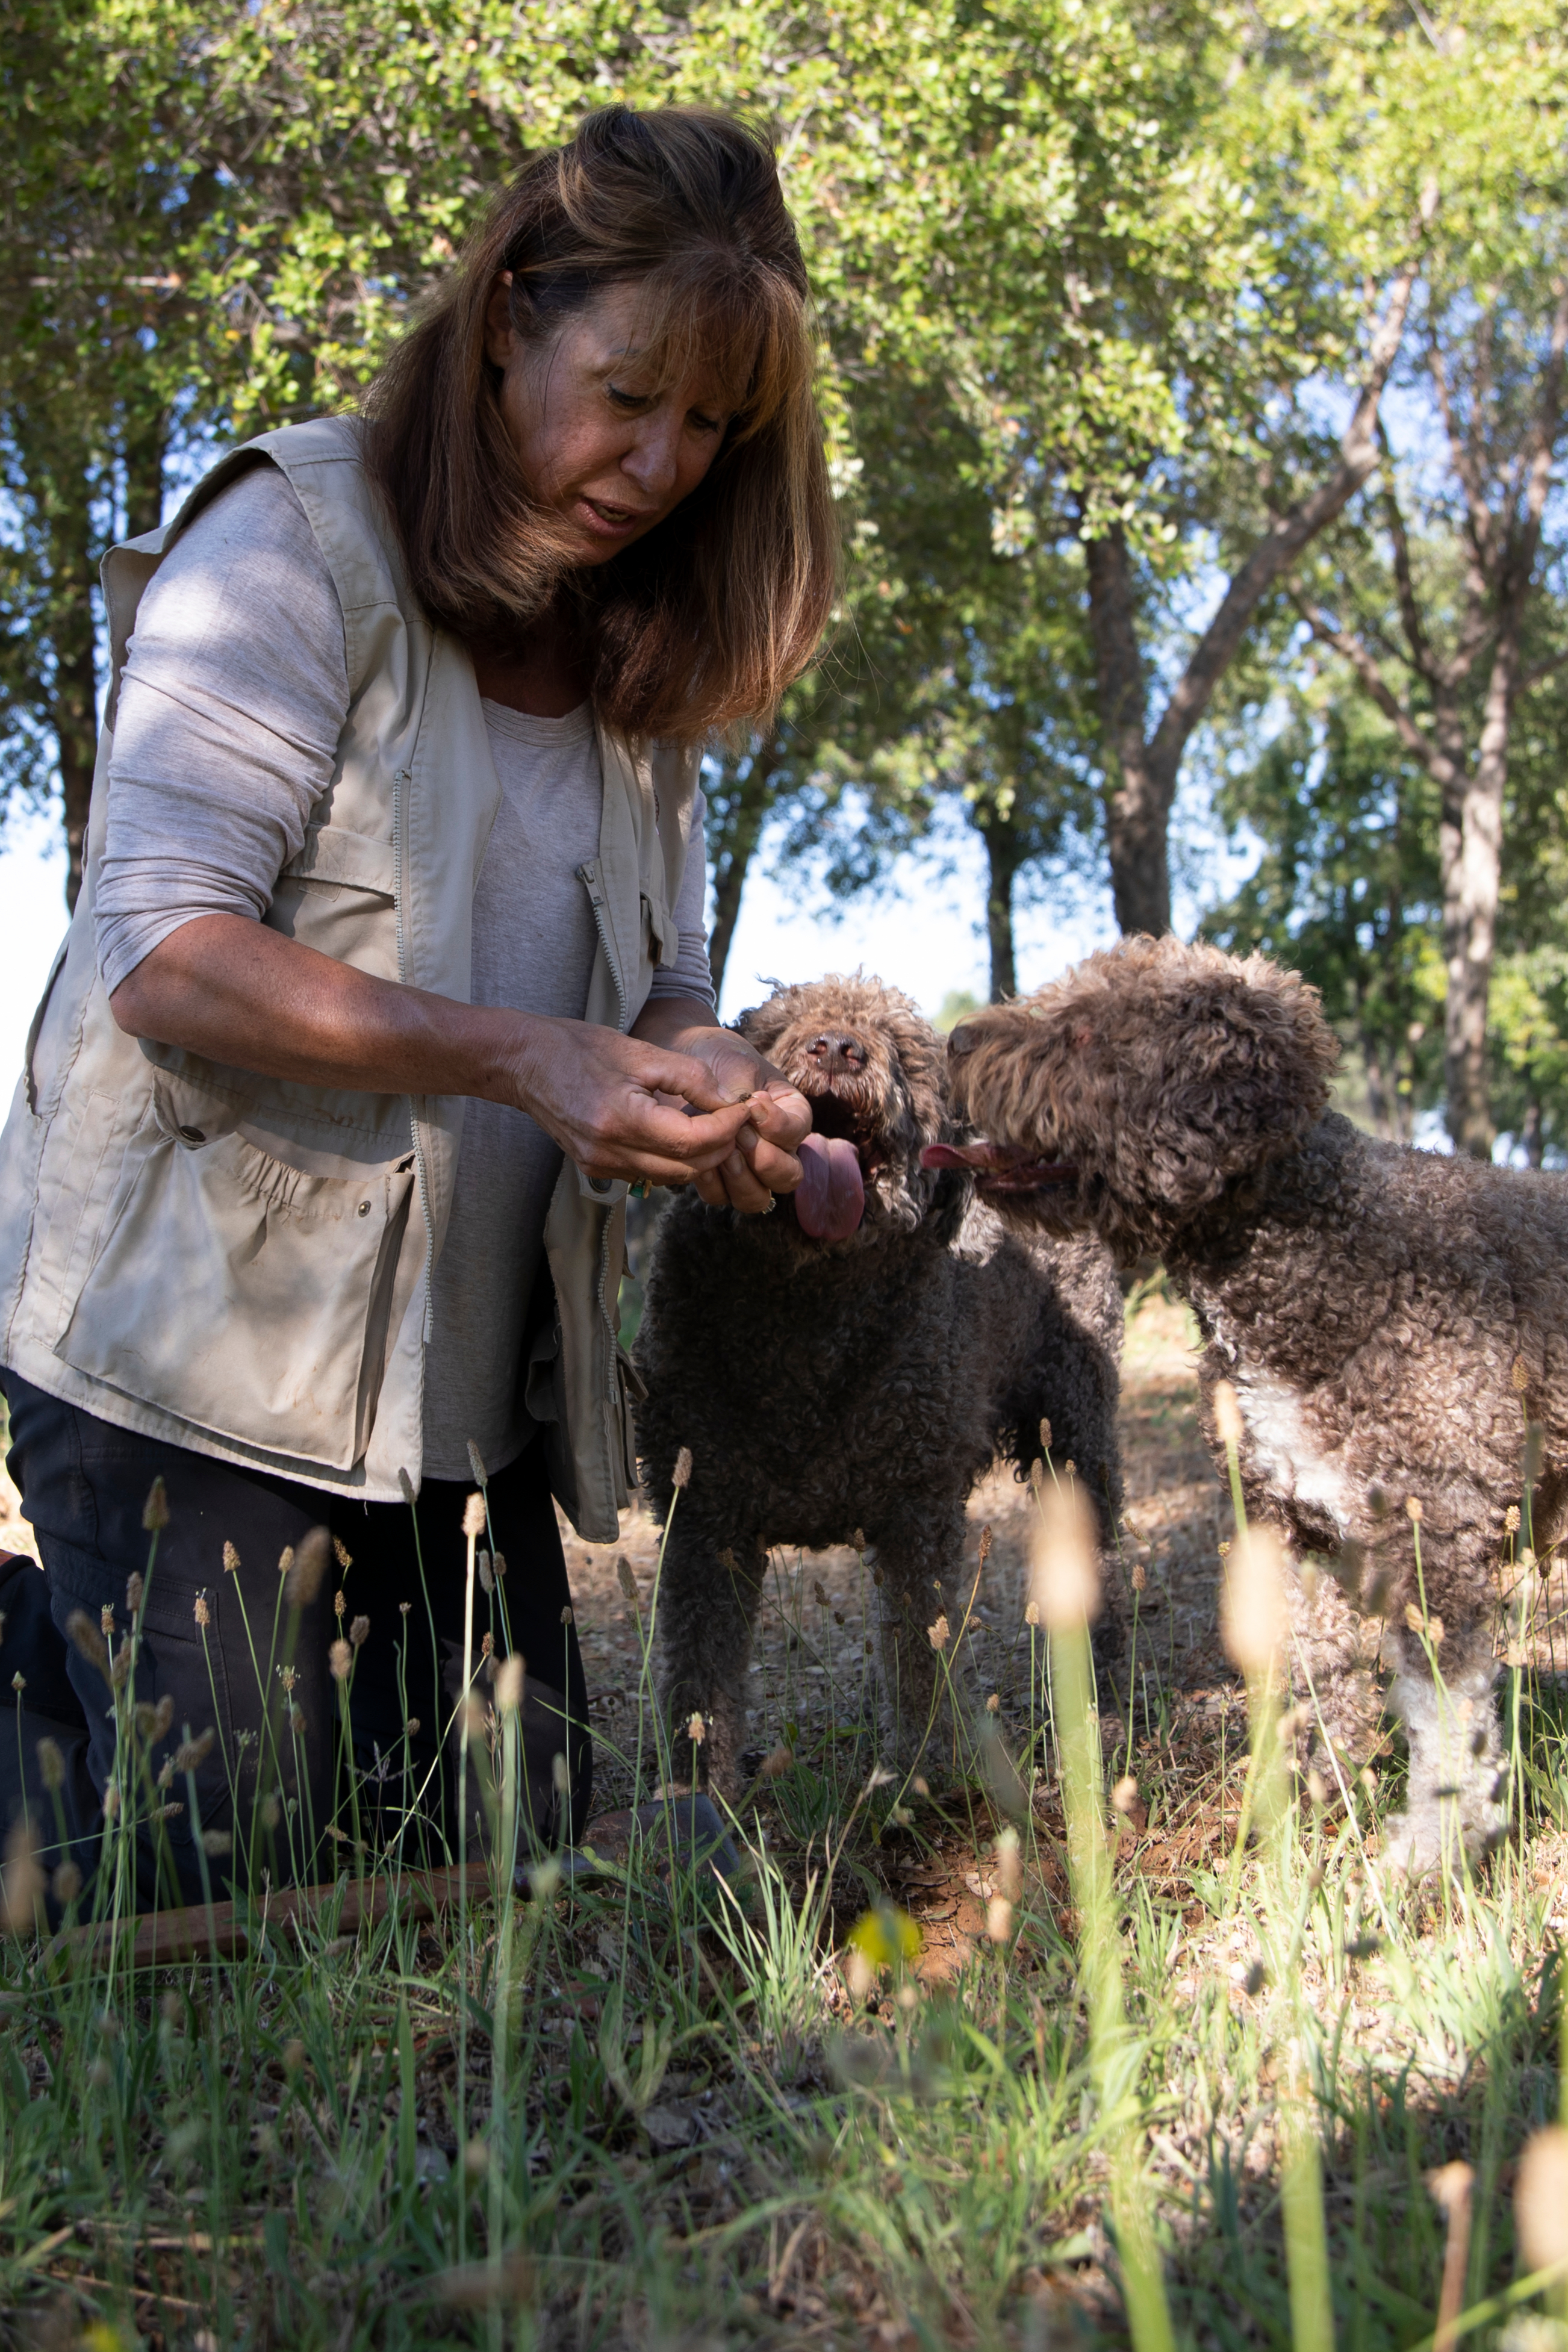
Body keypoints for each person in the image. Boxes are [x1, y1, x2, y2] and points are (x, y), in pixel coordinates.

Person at [0, 104, 836, 1912]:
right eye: (630, 392)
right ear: (508, 316)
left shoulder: (643, 652)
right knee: (219, 1885)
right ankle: (46, 1653)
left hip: (455, 1416)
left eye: (712, 425)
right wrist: (521, 1054)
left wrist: (712, 1075)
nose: (665, 459)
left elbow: (670, 980)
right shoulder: (293, 544)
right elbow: (160, 952)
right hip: (187, 1366)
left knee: (494, 1863)